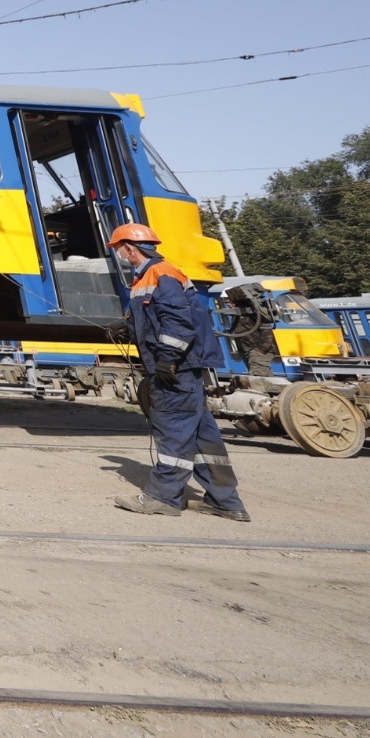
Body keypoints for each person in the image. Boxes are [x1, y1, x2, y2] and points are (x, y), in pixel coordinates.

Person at [108, 223, 249, 522]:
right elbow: (160, 317)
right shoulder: (153, 275)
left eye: (119, 249)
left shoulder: (160, 274)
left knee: (173, 430)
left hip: (176, 369)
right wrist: (128, 326)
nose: (119, 255)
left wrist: (167, 359)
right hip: (185, 367)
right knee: (202, 436)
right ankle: (225, 501)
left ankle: (163, 497)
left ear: (129, 248)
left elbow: (178, 321)